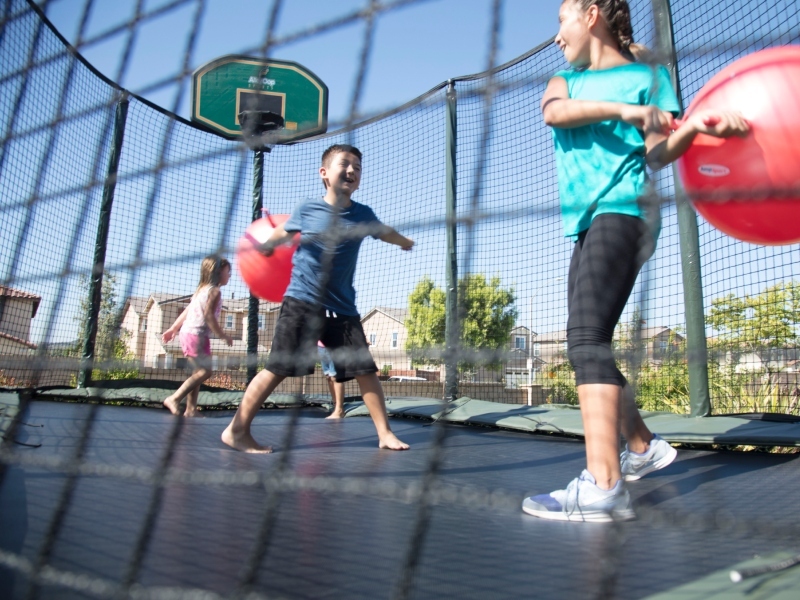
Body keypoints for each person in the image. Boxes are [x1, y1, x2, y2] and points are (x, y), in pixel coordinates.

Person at [522, 0, 749, 522]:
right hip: (587, 221)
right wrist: (625, 110)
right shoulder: (564, 81)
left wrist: (699, 127)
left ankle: (603, 486)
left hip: (626, 210)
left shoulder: (649, 77)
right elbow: (554, 113)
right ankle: (643, 446)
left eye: (561, 20)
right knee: (588, 341)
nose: (556, 35)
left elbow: (658, 151)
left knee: (585, 340)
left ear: (591, 14)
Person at [222, 144, 414, 453]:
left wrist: (404, 241)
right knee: (278, 368)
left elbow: (384, 231)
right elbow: (283, 231)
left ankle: (385, 434)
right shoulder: (308, 209)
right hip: (302, 302)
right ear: (324, 173)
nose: (352, 170)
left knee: (365, 371)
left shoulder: (362, 214)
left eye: (358, 167)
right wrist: (267, 246)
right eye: (345, 164)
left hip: (343, 308)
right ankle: (236, 430)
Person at [162, 255, 234, 417]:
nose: (230, 275)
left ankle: (191, 409)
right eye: (227, 272)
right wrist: (223, 335)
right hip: (196, 336)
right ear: (217, 273)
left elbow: (187, 311)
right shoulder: (214, 292)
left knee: (198, 372)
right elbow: (209, 316)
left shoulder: (202, 290)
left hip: (191, 334)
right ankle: (174, 398)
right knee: (205, 372)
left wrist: (173, 328)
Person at [319, 339, 346, 418]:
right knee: (328, 376)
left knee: (335, 376)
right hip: (321, 347)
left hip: (334, 345)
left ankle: (340, 409)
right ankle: (335, 405)